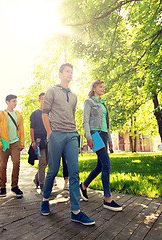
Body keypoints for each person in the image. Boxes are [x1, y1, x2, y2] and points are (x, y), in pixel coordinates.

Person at [40, 63, 95, 226]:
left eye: (72, 72)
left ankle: (75, 211)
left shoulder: (74, 96)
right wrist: (51, 134)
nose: (70, 74)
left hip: (71, 134)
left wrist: (75, 131)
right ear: (60, 74)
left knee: (74, 171)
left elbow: (72, 116)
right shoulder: (51, 90)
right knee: (53, 170)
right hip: (56, 134)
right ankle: (44, 200)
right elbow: (45, 114)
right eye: (67, 71)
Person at [79, 80, 122, 211]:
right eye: (100, 86)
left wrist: (109, 140)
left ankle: (83, 186)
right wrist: (88, 137)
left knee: (100, 165)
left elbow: (107, 125)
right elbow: (85, 121)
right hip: (95, 134)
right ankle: (107, 199)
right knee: (107, 164)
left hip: (103, 135)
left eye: (104, 86)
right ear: (94, 88)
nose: (103, 88)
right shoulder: (89, 102)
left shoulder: (103, 104)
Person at [0, 94, 25, 198]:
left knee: (16, 163)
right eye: (13, 101)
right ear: (7, 102)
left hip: (15, 142)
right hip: (4, 143)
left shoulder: (18, 114)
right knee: (3, 165)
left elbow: (21, 130)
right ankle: (2, 187)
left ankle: (14, 186)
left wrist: (22, 143)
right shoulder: (0, 114)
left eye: (16, 101)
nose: (15, 103)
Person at [30, 92, 48, 191]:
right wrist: (33, 141)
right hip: (38, 141)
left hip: (48, 140)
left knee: (47, 162)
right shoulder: (35, 114)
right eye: (42, 99)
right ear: (39, 100)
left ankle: (37, 179)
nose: (44, 101)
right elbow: (31, 128)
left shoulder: (49, 113)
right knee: (42, 162)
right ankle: (42, 186)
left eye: (45, 99)